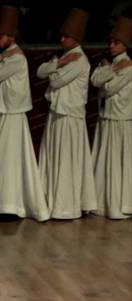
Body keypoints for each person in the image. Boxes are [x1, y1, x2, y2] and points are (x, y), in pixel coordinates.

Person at [0, 6, 50, 221]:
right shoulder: (1, 55)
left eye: (1, 37)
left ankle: (10, 205)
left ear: (11, 37)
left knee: (9, 158)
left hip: (12, 114)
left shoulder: (18, 58)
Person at [37, 8, 97, 219]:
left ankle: (65, 206)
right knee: (53, 156)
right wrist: (58, 63)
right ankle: (49, 200)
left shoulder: (80, 60)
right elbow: (40, 72)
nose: (62, 40)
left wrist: (55, 67)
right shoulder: (65, 57)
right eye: (61, 36)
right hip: (57, 113)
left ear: (76, 39)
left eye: (66, 37)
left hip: (70, 116)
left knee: (66, 159)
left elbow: (55, 80)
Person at [90, 17, 132, 220]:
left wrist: (107, 72)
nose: (111, 46)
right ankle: (101, 201)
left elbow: (108, 88)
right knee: (103, 159)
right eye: (110, 42)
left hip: (120, 119)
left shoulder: (129, 66)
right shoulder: (110, 63)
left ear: (125, 45)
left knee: (117, 162)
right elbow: (95, 80)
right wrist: (111, 69)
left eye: (116, 43)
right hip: (106, 117)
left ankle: (118, 204)